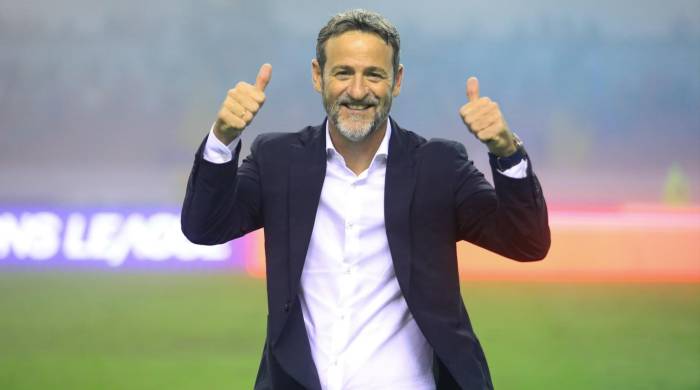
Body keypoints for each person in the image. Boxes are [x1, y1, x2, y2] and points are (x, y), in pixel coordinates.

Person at [181, 9, 550, 390]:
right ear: (317, 75)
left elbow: (527, 242)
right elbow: (203, 227)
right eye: (343, 73)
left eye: (373, 74)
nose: (358, 91)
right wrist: (222, 139)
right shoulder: (278, 160)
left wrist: (506, 151)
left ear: (397, 81)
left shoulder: (439, 167)